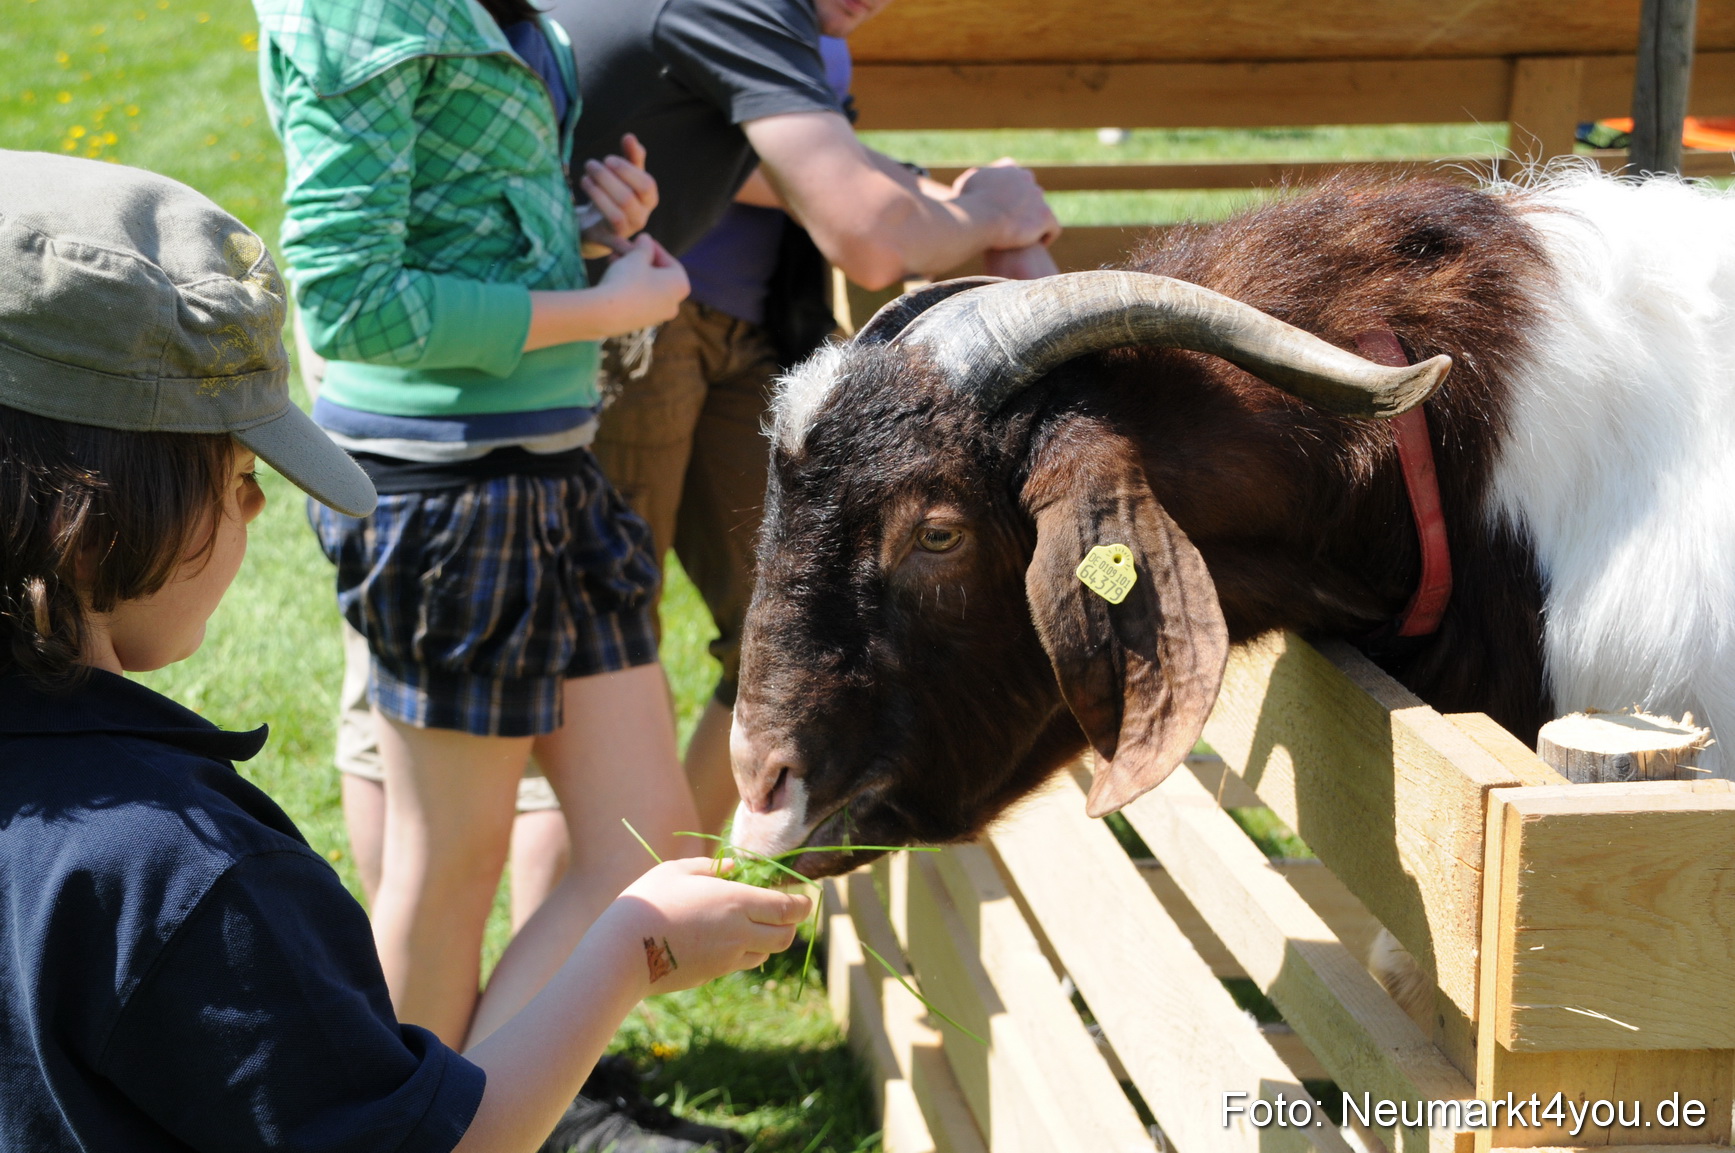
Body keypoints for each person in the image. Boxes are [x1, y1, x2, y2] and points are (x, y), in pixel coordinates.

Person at [0, 148, 809, 1153]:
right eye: (240, 470)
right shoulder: (182, 876)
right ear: (104, 502)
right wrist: (630, 955)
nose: (256, 504)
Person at [253, 0, 703, 1070]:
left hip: (548, 462)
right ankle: (404, 1126)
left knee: (648, 844)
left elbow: (446, 222)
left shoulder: (504, 11)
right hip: (450, 497)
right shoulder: (361, 15)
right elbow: (350, 300)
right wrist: (603, 311)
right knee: (452, 863)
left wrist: (582, 232)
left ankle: (465, 1121)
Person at [548, 0, 1064, 839]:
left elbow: (780, 156)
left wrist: (929, 194)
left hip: (758, 331)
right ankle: (609, 896)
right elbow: (858, 228)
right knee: (606, 633)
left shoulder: (806, 28)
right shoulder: (731, 10)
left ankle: (687, 867)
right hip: (645, 314)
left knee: (782, 614)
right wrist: (982, 214)